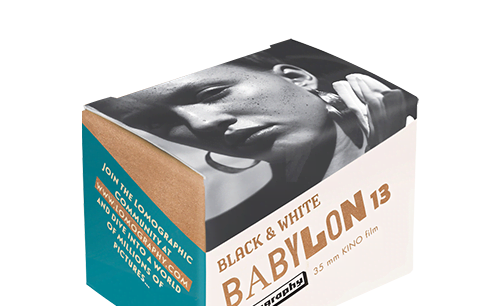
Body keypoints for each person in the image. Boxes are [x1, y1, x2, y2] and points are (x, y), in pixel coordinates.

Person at [89, 49, 417, 250]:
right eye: (159, 122)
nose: (202, 124)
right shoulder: (222, 242)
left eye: (212, 94)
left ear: (296, 78)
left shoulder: (422, 137)